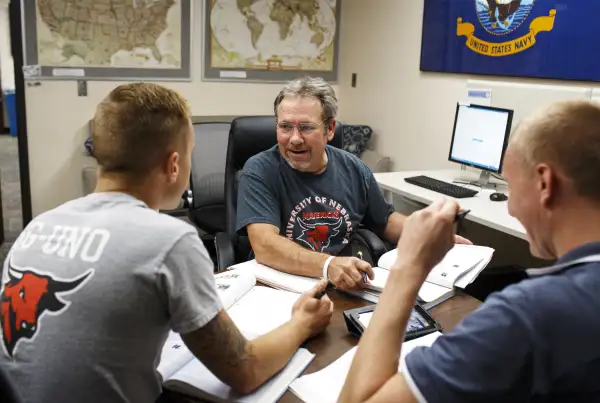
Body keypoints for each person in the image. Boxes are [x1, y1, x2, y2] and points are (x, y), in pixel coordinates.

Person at [0, 83, 333, 403]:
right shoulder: (169, 240)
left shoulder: (38, 226)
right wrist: (301, 323)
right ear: (174, 165)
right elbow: (245, 371)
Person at [338, 99, 600, 402]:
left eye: (512, 187)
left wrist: (410, 265)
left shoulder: (527, 317)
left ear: (545, 183)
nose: (511, 207)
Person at [235, 76, 470, 291]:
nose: (295, 139)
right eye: (285, 127)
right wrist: (328, 265)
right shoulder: (259, 170)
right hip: (280, 287)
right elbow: (265, 245)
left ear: (330, 129)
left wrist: (429, 233)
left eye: (306, 127)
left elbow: (385, 221)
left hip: (345, 285)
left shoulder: (353, 168)